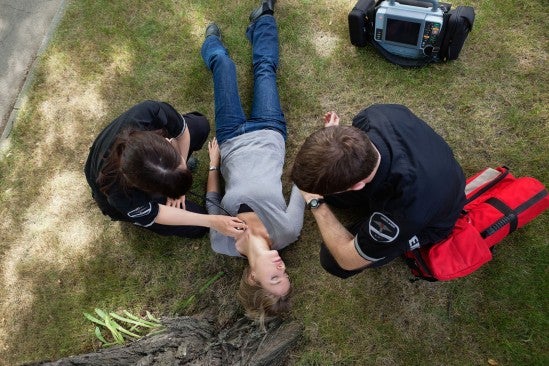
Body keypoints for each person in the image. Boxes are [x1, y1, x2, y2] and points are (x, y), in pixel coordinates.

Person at [201, 0, 305, 322]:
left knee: (224, 64)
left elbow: (212, 202)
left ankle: (211, 42)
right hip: (270, 131)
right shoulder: (289, 231)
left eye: (275, 277)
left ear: (252, 278)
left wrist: (214, 164)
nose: (281, 266)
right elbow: (303, 181)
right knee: (264, 67)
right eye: (285, 273)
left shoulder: (222, 243)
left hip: (230, 139)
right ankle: (263, 18)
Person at [291, 105, 466, 278]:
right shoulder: (373, 115)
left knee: (334, 260)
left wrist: (316, 202)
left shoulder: (405, 208)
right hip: (427, 171)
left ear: (358, 185)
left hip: (430, 219)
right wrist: (332, 143)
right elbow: (342, 151)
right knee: (336, 199)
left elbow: (348, 260)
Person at [84, 100, 247, 238]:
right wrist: (211, 221)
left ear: (167, 142)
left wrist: (178, 175)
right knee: (198, 228)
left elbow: (182, 134)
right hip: (115, 193)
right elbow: (155, 213)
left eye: (178, 162)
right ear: (148, 189)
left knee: (200, 126)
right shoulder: (120, 192)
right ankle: (142, 211)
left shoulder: (149, 112)